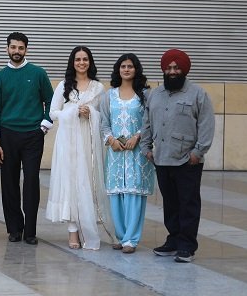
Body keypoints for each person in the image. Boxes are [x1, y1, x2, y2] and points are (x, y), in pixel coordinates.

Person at [140, 49, 215, 263]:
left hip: (187, 161)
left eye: (176, 67)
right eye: (169, 68)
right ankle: (173, 240)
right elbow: (147, 122)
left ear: (184, 69)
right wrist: (146, 148)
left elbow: (206, 125)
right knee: (170, 203)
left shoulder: (198, 94)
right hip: (162, 158)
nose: (172, 71)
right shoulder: (154, 94)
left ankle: (187, 246)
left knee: (188, 204)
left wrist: (197, 153)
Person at [0, 32, 54, 245]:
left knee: (31, 182)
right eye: (13, 47)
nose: (16, 51)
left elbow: (51, 101)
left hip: (33, 136)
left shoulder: (38, 73)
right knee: (9, 184)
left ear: (26, 49)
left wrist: (44, 126)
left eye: (20, 48)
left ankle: (30, 232)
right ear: (7, 49)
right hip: (7, 135)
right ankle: (14, 229)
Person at [46, 46, 113, 250]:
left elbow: (103, 115)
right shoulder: (63, 86)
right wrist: (72, 111)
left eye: (85, 59)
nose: (81, 63)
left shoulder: (98, 88)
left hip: (88, 140)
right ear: (72, 62)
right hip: (68, 141)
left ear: (90, 62)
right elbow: (53, 113)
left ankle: (87, 223)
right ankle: (72, 230)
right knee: (70, 182)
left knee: (87, 181)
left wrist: (90, 112)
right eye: (78, 59)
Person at [100, 53, 154, 254]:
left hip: (137, 154)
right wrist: (111, 140)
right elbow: (104, 122)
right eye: (123, 66)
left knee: (134, 193)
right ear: (118, 70)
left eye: (130, 66)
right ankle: (120, 237)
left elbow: (150, 121)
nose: (126, 69)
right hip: (115, 153)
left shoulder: (145, 95)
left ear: (136, 69)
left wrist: (138, 136)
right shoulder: (109, 95)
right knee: (116, 194)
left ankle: (131, 239)